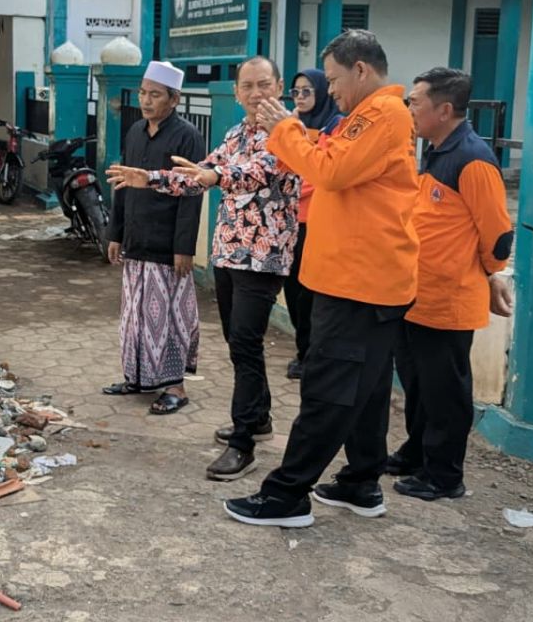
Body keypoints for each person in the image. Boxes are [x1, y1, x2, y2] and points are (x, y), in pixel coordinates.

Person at [225, 29, 418, 528]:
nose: (328, 90)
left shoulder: (384, 114)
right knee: (369, 390)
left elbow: (331, 171)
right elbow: (322, 156)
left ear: (360, 70)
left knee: (327, 390)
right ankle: (360, 483)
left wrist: (288, 128)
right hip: (361, 278)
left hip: (358, 281)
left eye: (332, 79)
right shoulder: (363, 118)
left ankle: (287, 495)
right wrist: (291, 132)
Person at [108, 56, 300, 478]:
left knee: (246, 344)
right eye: (246, 86)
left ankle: (243, 442)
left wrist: (214, 177)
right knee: (238, 342)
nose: (255, 94)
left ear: (279, 86)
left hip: (262, 259)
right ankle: (259, 417)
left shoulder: (290, 135)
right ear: (235, 92)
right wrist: (151, 179)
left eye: (263, 85)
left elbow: (252, 174)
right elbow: (199, 173)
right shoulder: (235, 133)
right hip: (229, 254)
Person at [388, 67, 514, 501]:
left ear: (444, 110)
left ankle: (444, 475)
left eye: (416, 102)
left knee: (445, 392)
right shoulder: (437, 151)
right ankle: (416, 453)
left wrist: (488, 273)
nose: (410, 110)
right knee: (418, 385)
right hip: (416, 293)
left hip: (450, 298)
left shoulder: (473, 159)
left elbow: (497, 235)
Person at [102, 61, 207, 414]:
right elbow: (122, 184)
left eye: (155, 95)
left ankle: (175, 387)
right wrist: (116, 234)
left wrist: (183, 248)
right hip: (136, 240)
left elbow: (192, 193)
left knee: (170, 318)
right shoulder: (134, 132)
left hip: (167, 246)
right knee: (135, 316)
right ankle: (137, 377)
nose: (147, 101)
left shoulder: (187, 136)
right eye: (144, 93)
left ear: (174, 99)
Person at [282, 69, 343, 380]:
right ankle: (303, 350)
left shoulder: (336, 128)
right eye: (296, 92)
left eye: (308, 91)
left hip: (316, 223)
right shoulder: (291, 127)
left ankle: (314, 356)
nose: (301, 97)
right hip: (290, 222)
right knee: (293, 292)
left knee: (312, 296)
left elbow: (323, 175)